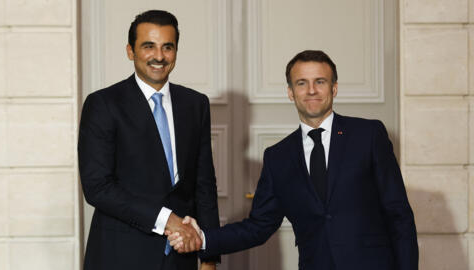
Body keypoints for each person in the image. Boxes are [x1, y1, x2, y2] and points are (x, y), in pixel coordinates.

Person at [168, 50, 418, 270]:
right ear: (290, 92)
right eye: (302, 83)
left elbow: (399, 216)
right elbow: (258, 227)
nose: (311, 90)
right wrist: (202, 237)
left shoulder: (368, 135)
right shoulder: (278, 157)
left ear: (334, 88)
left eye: (320, 81)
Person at [78, 10, 220, 270]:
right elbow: (97, 187)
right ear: (130, 51)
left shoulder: (195, 104)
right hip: (120, 255)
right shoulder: (103, 104)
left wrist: (209, 256)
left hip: (182, 256)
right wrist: (167, 220)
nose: (159, 56)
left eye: (168, 47)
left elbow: (204, 184)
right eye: (148, 46)